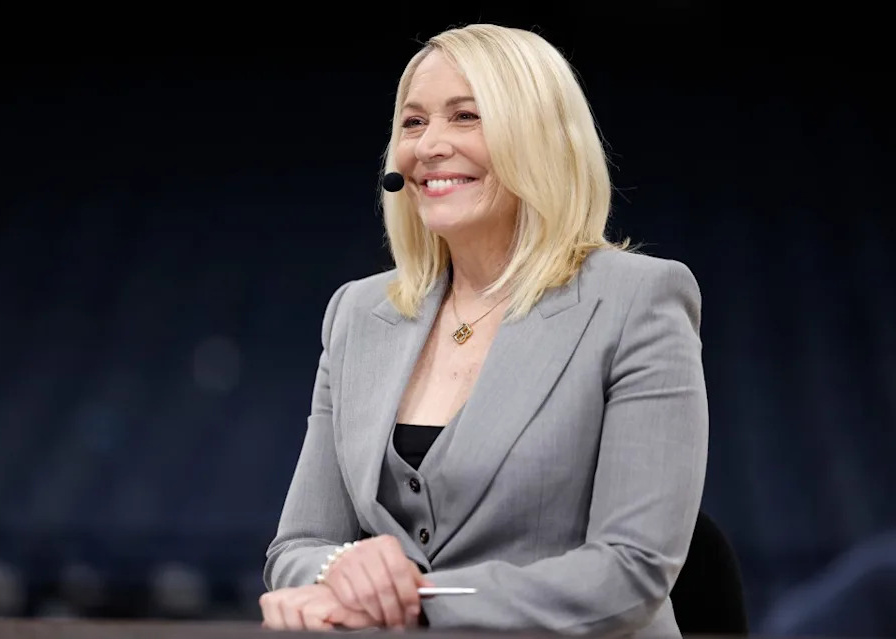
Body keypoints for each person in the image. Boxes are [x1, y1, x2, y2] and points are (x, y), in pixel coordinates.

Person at [260, 23, 708, 636]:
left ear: (540, 140)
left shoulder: (639, 299)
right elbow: (297, 548)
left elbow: (629, 572)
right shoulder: (357, 314)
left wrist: (410, 602)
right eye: (413, 123)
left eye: (466, 116)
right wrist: (341, 566)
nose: (428, 146)